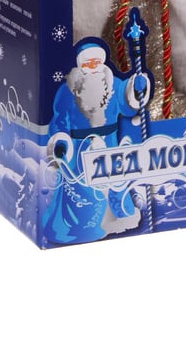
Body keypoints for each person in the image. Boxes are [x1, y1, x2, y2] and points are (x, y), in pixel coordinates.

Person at [42, 40, 151, 244]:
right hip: (80, 147)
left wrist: (137, 88)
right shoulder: (68, 91)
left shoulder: (114, 85)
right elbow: (59, 121)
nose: (93, 66)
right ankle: (84, 225)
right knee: (83, 187)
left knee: (115, 180)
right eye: (88, 63)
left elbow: (128, 107)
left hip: (109, 142)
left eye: (96, 62)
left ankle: (121, 216)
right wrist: (60, 140)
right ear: (80, 64)